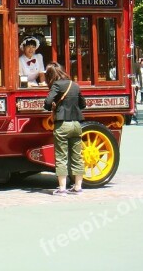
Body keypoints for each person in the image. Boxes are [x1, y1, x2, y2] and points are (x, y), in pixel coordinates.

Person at [44, 62, 86, 196]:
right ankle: (78, 187)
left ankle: (62, 189)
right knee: (77, 156)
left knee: (61, 157)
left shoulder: (56, 85)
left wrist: (54, 105)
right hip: (76, 124)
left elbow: (47, 102)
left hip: (62, 124)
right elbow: (83, 104)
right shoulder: (74, 85)